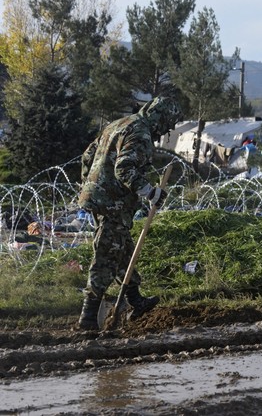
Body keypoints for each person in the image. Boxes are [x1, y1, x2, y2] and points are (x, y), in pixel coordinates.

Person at [76, 96, 183, 330]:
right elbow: (124, 168)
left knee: (122, 248)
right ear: (161, 118)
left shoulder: (119, 124)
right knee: (106, 256)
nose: (166, 131)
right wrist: (150, 192)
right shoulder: (141, 133)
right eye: (167, 125)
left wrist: (89, 185)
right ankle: (88, 317)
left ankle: (135, 300)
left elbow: (88, 156)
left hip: (99, 198)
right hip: (112, 203)